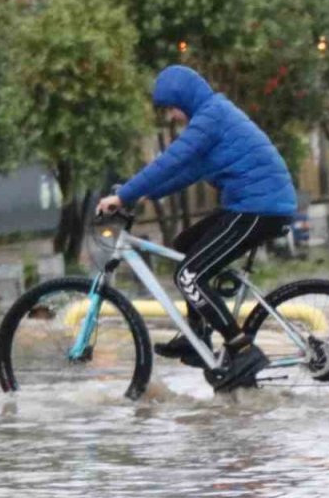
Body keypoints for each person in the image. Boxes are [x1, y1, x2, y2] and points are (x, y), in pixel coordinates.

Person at [96, 65, 297, 389]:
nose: (173, 116)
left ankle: (241, 348)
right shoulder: (213, 116)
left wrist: (123, 196)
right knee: (184, 245)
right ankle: (197, 335)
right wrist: (141, 193)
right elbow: (186, 171)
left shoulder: (210, 118)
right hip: (252, 205)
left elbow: (171, 159)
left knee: (188, 275)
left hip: (260, 208)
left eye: (172, 108)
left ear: (184, 98)